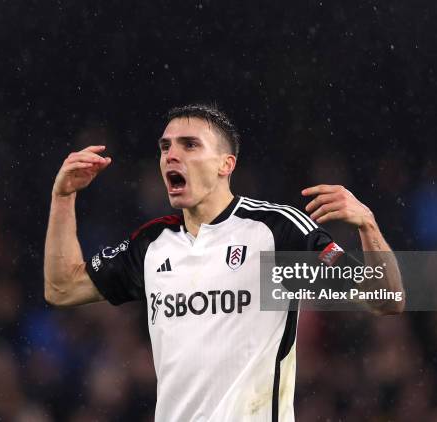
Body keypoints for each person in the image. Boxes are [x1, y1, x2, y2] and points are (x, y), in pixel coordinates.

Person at [44, 104, 405, 421]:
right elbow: (62, 289)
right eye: (165, 146)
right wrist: (63, 197)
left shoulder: (274, 231)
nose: (171, 155)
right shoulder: (153, 245)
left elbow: (387, 299)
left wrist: (368, 225)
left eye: (190, 145)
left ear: (225, 164)